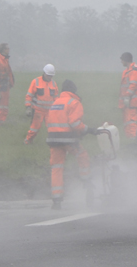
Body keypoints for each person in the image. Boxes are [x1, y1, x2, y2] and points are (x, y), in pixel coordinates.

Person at [46, 79, 97, 210]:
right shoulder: (74, 103)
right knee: (82, 155)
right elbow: (74, 123)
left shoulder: (55, 103)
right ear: (73, 90)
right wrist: (88, 130)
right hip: (68, 139)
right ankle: (87, 182)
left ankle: (56, 200)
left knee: (56, 168)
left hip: (53, 139)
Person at [24, 64, 59, 144]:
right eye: (48, 75)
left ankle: (54, 144)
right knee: (34, 129)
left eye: (51, 76)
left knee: (52, 129)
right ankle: (27, 142)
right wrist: (28, 107)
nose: (49, 77)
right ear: (44, 73)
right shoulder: (36, 81)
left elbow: (56, 98)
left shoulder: (54, 84)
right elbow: (29, 95)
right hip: (37, 111)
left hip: (50, 112)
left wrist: (57, 109)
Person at [119, 52, 137, 138]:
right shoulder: (128, 71)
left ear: (125, 60)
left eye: (122, 60)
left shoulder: (134, 71)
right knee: (127, 121)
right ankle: (131, 140)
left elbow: (133, 85)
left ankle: (135, 140)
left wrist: (127, 96)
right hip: (128, 102)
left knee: (131, 121)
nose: (121, 62)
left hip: (132, 101)